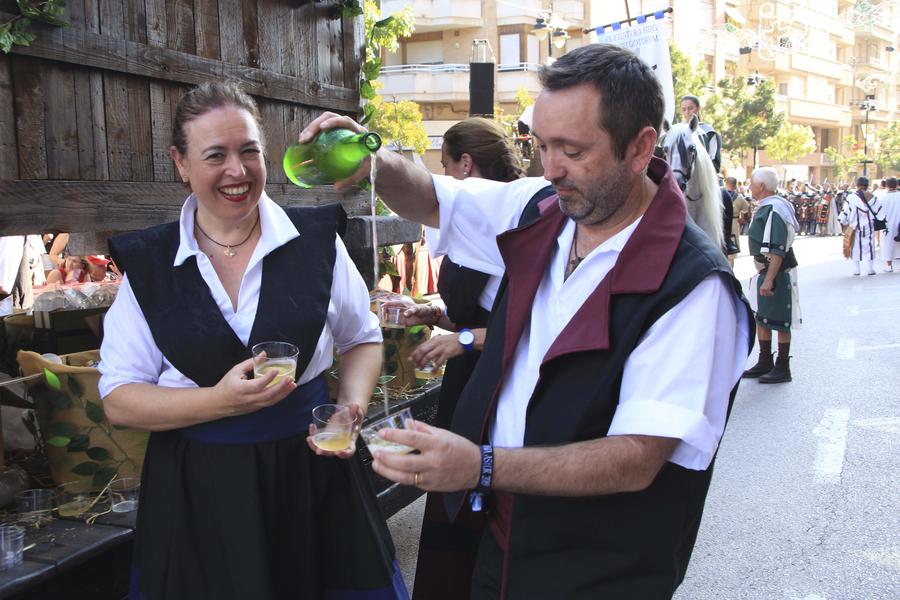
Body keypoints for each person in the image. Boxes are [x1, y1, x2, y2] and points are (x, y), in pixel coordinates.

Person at [301, 44, 753, 598]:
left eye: (572, 149)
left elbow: (637, 458)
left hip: (597, 569)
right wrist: (375, 160)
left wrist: (483, 467)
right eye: (541, 145)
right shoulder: (544, 208)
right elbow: (432, 199)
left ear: (640, 149)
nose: (551, 168)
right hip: (495, 535)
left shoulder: (694, 286)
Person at [98, 81, 407, 600]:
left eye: (249, 151)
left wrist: (349, 408)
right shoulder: (151, 265)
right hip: (201, 493)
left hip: (312, 479)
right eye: (215, 155)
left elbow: (362, 339)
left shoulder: (315, 243)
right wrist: (217, 401)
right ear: (181, 162)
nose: (237, 171)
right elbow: (119, 399)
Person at [390, 117, 532, 600]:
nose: (444, 176)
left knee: (482, 497)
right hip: (467, 380)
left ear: (465, 165)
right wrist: (430, 312)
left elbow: (532, 325)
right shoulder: (478, 223)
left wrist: (466, 340)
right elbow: (478, 305)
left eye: (446, 166)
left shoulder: (521, 222)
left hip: (496, 383)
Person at [741, 167, 800, 384]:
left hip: (777, 271)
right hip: (766, 270)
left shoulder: (774, 209)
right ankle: (765, 360)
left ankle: (783, 366)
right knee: (763, 318)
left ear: (762, 187)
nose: (749, 187)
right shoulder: (769, 206)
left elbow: (777, 249)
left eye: (752, 183)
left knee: (781, 320)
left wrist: (769, 278)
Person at [839, 176, 882, 276]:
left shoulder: (851, 197)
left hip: (855, 226)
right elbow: (879, 211)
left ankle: (857, 270)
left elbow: (845, 211)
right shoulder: (871, 196)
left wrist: (843, 221)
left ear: (857, 185)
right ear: (867, 185)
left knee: (855, 247)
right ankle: (870, 269)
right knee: (869, 246)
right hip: (869, 225)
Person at [680, 94, 722, 173]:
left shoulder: (709, 133)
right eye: (684, 109)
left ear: (698, 108)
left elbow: (713, 161)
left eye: (690, 108)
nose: (687, 112)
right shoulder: (678, 132)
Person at [723, 176, 747, 267]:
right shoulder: (739, 197)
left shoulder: (720, 194)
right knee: (732, 247)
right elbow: (746, 209)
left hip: (722, 222)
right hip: (733, 222)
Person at [878, 177, 900, 272]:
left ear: (886, 186)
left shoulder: (883, 198)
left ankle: (889, 265)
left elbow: (879, 213)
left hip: (888, 225)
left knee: (887, 244)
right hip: (899, 224)